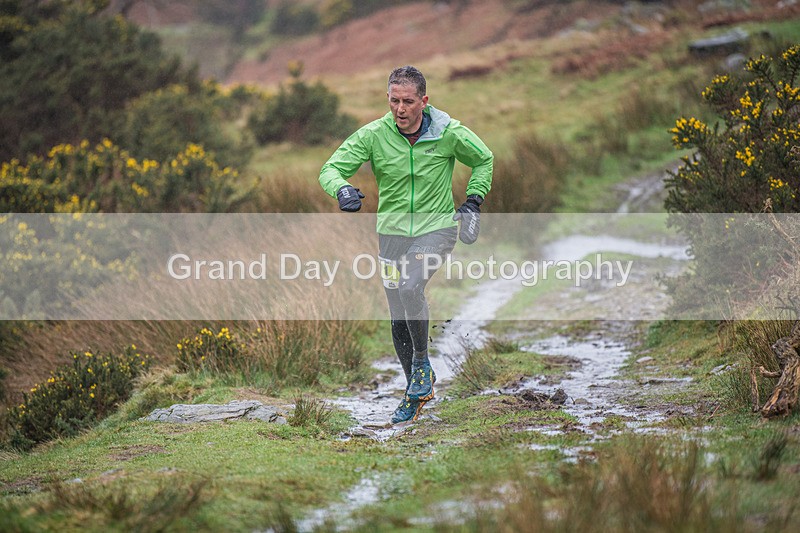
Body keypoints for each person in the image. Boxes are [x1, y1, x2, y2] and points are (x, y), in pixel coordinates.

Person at [319, 66, 493, 424]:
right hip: (391, 234)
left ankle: (420, 365)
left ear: (424, 101)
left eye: (408, 101)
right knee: (397, 312)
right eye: (394, 101)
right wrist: (342, 188)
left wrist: (473, 201)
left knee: (411, 284)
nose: (400, 109)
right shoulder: (374, 135)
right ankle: (416, 392)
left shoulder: (448, 131)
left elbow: (483, 158)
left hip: (438, 228)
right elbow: (330, 168)